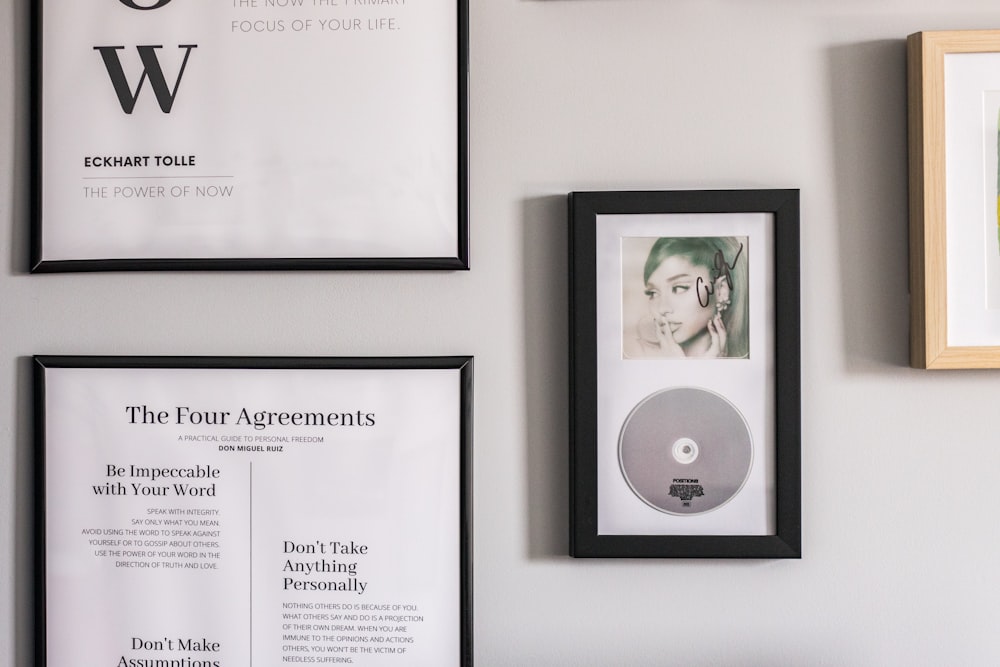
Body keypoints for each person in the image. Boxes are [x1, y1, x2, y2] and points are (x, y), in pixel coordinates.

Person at [624, 236, 748, 359]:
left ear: (721, 291)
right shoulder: (636, 355)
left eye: (679, 288)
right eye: (653, 293)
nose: (662, 309)